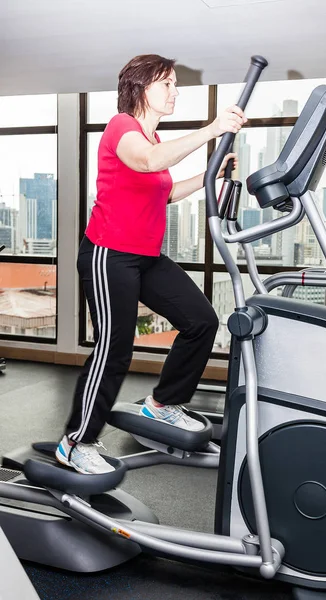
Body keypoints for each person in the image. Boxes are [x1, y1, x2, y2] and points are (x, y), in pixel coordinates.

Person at [56, 54, 247, 475]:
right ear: (141, 88)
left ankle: (162, 405)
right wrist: (213, 129)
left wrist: (209, 178)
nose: (175, 92)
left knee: (201, 320)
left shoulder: (156, 142)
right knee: (115, 349)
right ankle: (76, 441)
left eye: (175, 85)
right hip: (110, 254)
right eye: (167, 84)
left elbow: (165, 191)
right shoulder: (121, 127)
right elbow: (145, 162)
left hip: (146, 257)